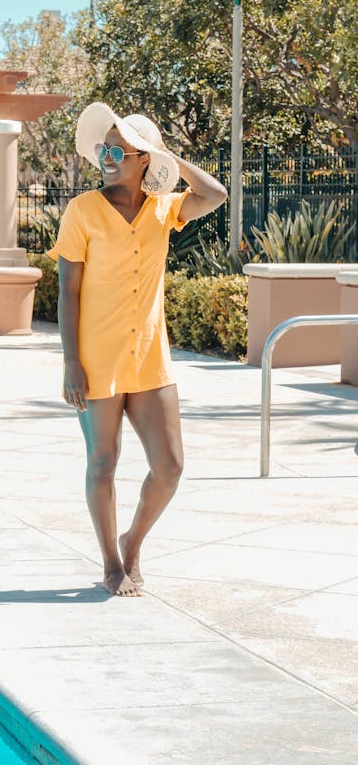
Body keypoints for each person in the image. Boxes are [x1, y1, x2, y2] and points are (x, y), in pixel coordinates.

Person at [48, 102, 227, 597]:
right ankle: (111, 561)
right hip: (96, 359)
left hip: (150, 358)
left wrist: (166, 153)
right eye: (104, 149)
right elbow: (68, 291)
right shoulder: (81, 211)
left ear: (143, 158)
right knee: (102, 462)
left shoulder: (164, 209)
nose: (107, 157)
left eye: (119, 150)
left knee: (169, 466)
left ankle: (133, 540)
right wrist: (70, 362)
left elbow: (214, 194)